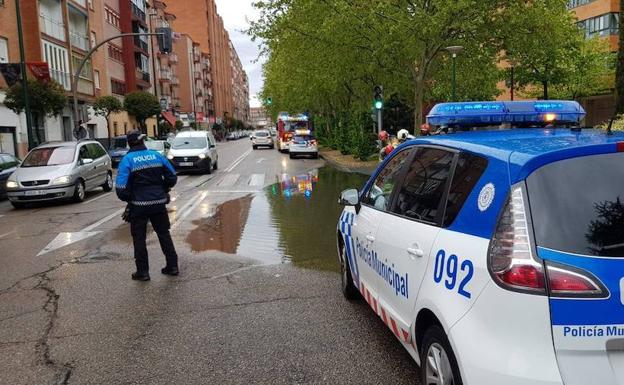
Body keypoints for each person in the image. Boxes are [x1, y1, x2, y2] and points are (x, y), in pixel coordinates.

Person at [115, 130, 179, 281]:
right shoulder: (157, 155)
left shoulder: (127, 160)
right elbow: (172, 176)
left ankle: (143, 272)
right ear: (143, 141)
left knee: (139, 238)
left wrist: (131, 198)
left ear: (129, 143)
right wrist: (163, 189)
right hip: (158, 204)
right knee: (164, 234)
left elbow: (121, 189)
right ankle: (173, 266)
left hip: (139, 206)